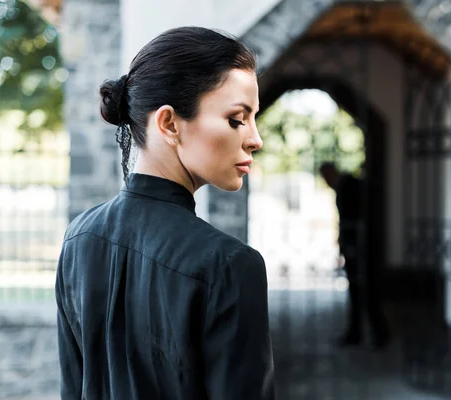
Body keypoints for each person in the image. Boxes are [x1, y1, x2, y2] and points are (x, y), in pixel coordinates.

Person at [55, 27, 274, 400]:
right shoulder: (229, 264)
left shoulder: (79, 238)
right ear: (169, 123)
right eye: (237, 119)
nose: (255, 138)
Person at [319, 162, 388, 347]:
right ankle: (360, 332)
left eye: (326, 177)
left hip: (361, 246)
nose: (326, 182)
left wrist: (349, 244)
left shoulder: (349, 186)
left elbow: (353, 219)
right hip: (357, 245)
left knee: (365, 291)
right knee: (359, 291)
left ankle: (376, 333)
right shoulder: (346, 185)